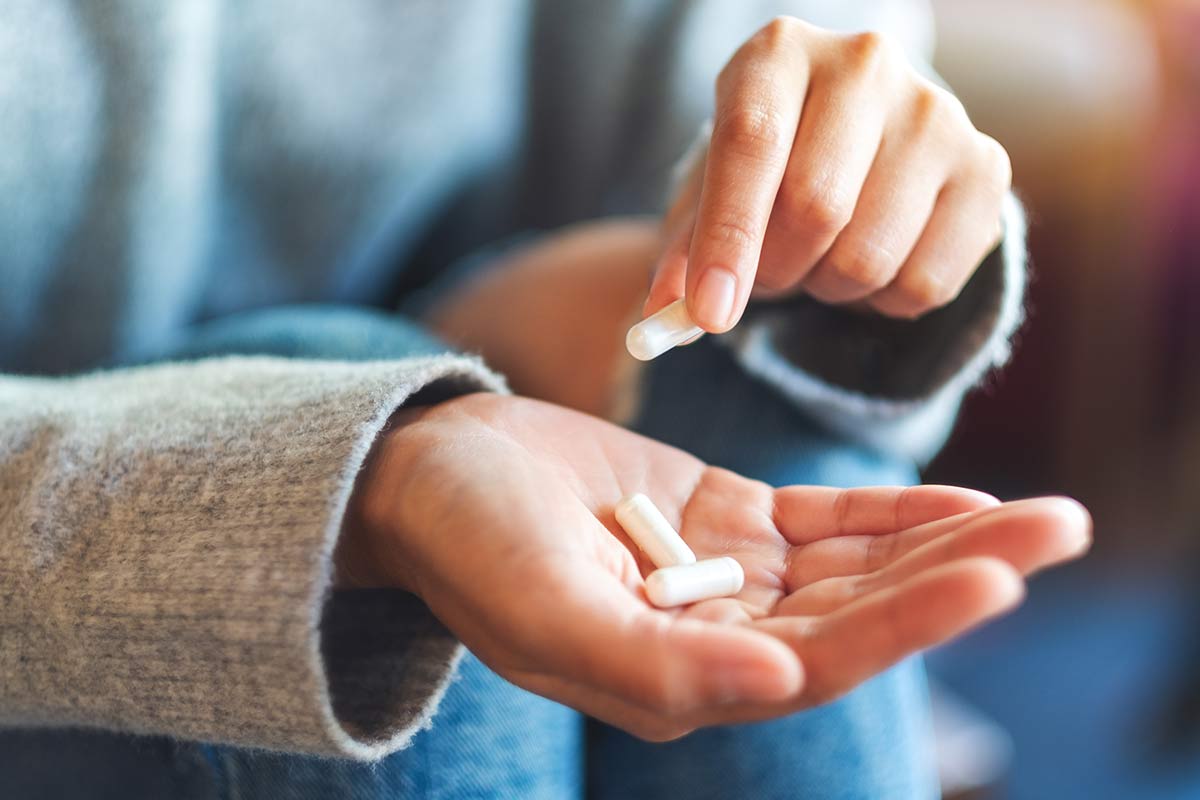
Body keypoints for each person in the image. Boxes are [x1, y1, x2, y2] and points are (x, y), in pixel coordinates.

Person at [0, 1, 1090, 797]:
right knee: (380, 531)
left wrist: (860, 235)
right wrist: (346, 488)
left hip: (494, 343)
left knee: (759, 394)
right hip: (54, 594)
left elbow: (769, 211)